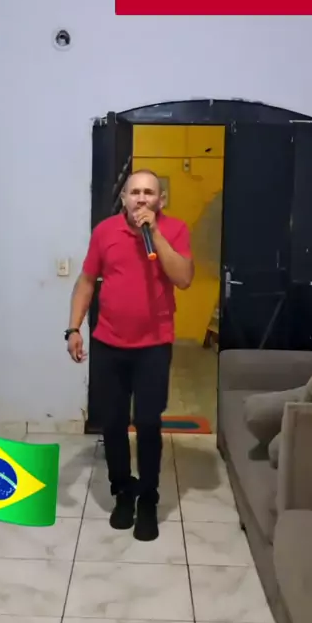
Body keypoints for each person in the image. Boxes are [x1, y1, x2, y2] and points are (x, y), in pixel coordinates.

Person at [66, 169, 194, 541]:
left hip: (154, 345)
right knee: (113, 422)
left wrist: (155, 234)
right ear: (123, 198)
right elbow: (86, 281)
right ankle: (123, 491)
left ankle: (148, 498)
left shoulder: (174, 230)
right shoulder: (105, 231)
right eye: (134, 192)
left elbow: (184, 278)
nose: (141, 198)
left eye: (149, 192)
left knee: (149, 422)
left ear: (161, 200)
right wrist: (73, 328)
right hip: (109, 343)